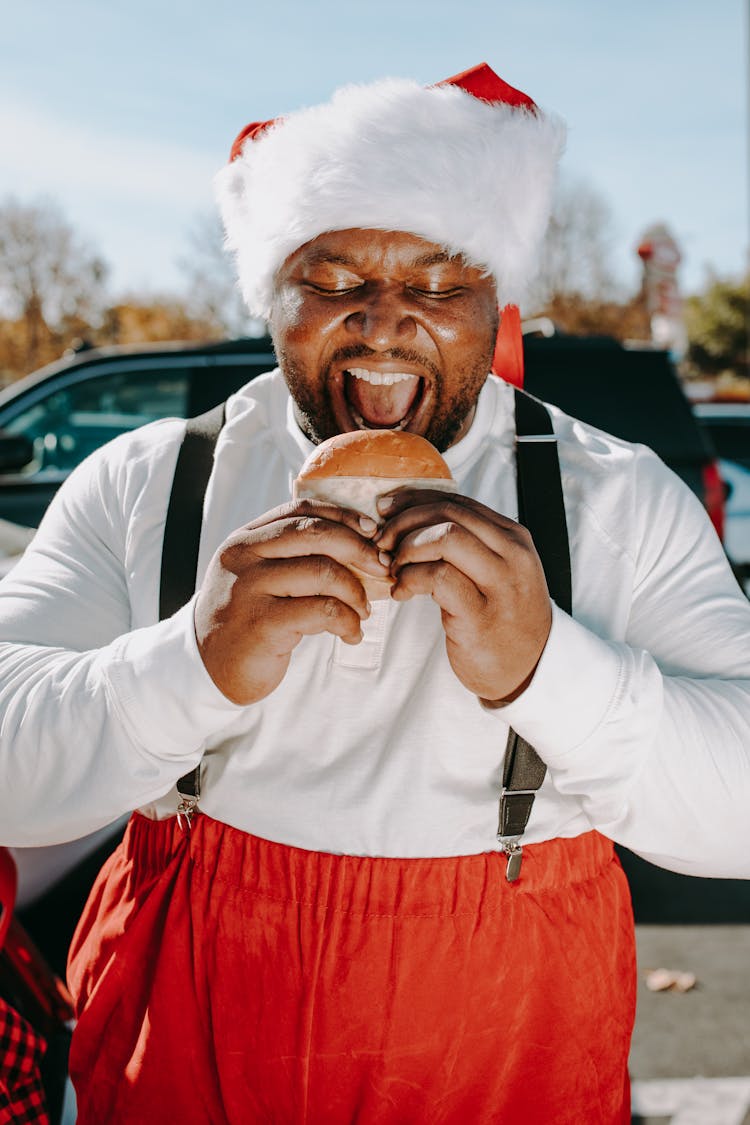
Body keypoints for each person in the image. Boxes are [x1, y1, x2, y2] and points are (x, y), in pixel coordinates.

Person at [0, 62, 748, 1125]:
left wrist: (553, 670)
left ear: (495, 304)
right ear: (275, 296)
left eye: (439, 286)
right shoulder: (149, 481)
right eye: (335, 280)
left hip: (506, 1039)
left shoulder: (615, 496)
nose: (387, 322)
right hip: (188, 1030)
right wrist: (188, 664)